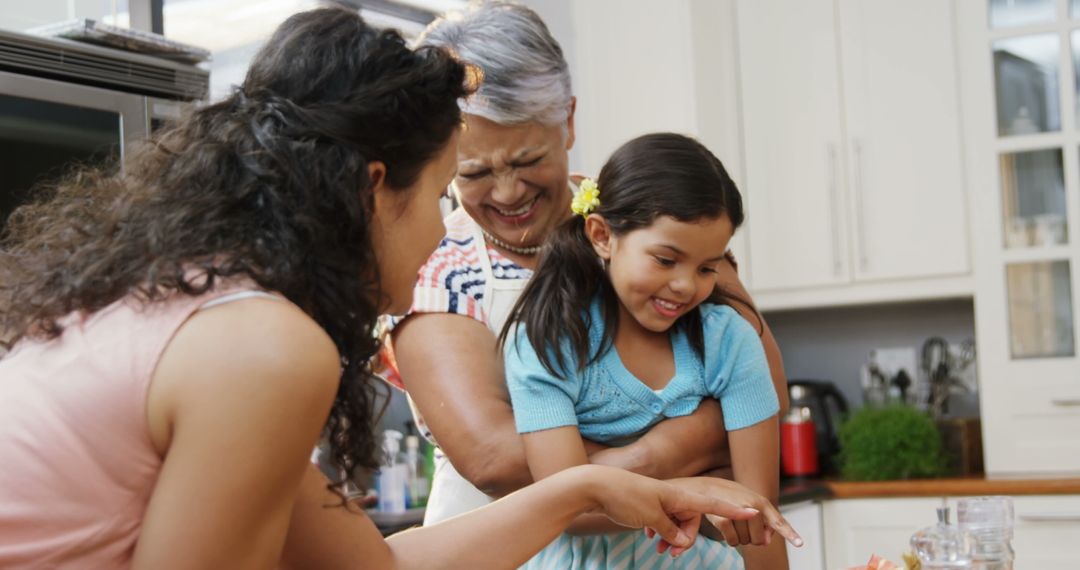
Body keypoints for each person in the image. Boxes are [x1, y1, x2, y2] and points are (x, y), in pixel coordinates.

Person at [0, 8, 797, 569]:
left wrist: (585, 485)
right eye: (445, 190)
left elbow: (374, 566)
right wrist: (673, 447)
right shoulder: (264, 348)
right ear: (376, 190)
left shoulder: (198, 309)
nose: (439, 238)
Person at [390, 0, 790, 528]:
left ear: (569, 122)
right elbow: (494, 458)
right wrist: (660, 458)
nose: (508, 193)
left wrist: (620, 466)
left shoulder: (653, 225)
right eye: (474, 172)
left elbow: (765, 387)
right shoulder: (433, 267)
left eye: (529, 160)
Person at [502, 133, 789, 569]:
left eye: (707, 267)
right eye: (665, 259)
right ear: (601, 235)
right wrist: (690, 492)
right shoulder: (550, 342)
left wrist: (608, 478)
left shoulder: (730, 342)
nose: (685, 285)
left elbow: (756, 518)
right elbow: (563, 506)